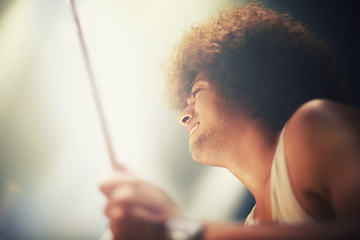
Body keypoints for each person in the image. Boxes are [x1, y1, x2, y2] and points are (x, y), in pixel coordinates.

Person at [99, 3, 360, 239]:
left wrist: (182, 230)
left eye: (197, 91)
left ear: (250, 85)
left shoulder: (315, 124)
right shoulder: (251, 224)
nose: (183, 115)